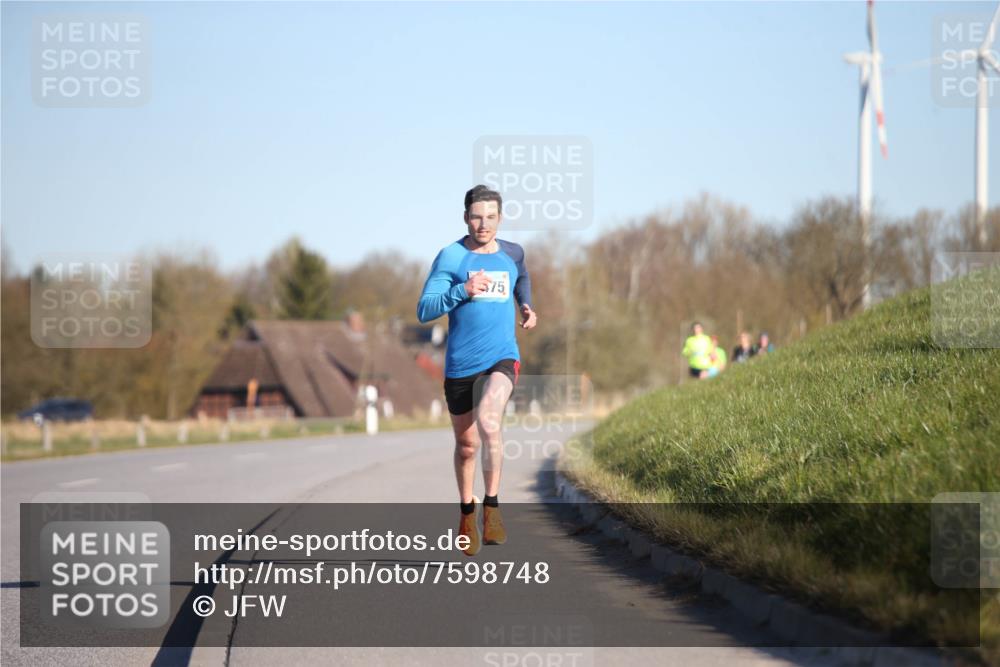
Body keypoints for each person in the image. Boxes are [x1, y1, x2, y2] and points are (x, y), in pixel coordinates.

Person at [416, 185, 537, 557]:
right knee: (467, 446)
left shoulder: (512, 252)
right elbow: (424, 310)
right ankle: (467, 513)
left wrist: (526, 306)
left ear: (500, 219)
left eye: (490, 217)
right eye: (476, 216)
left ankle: (493, 507)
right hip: (459, 366)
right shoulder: (451, 257)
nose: (483, 224)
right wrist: (463, 290)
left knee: (489, 422)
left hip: (502, 356)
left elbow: (523, 277)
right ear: (465, 217)